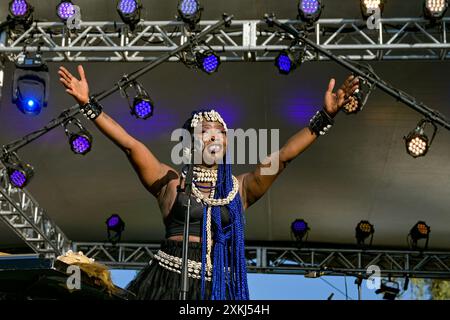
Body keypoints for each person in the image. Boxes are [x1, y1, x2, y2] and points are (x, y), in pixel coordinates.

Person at [58, 65, 359, 300]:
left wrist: (326, 117)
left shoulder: (239, 189)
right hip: (166, 281)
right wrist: (89, 105)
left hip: (219, 288)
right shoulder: (172, 182)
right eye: (206, 132)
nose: (215, 136)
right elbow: (130, 145)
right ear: (191, 142)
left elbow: (284, 156)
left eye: (221, 132)